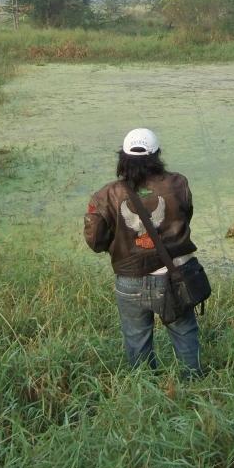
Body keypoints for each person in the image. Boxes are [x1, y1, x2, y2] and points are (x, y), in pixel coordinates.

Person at [83, 127, 202, 376]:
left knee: (137, 339)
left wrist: (121, 243)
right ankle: (195, 388)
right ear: (157, 155)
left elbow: (95, 240)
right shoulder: (178, 183)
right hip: (175, 275)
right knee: (185, 332)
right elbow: (185, 217)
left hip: (130, 280)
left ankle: (146, 392)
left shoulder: (106, 195)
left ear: (122, 158)